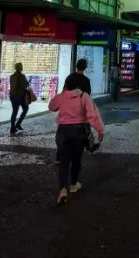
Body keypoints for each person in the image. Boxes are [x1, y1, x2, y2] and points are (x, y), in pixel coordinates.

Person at [49, 76, 104, 205]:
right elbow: (92, 115)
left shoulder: (62, 96)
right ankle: (73, 184)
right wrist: (100, 130)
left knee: (64, 161)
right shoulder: (84, 96)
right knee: (76, 159)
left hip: (62, 132)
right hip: (79, 131)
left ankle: (63, 189)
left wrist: (61, 96)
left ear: (66, 85)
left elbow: (51, 106)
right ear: (78, 86)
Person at [9, 63, 30, 134]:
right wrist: (27, 83)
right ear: (21, 68)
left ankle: (12, 127)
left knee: (14, 111)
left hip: (12, 96)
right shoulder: (22, 76)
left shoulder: (11, 76)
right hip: (20, 96)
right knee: (26, 109)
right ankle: (18, 124)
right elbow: (24, 85)